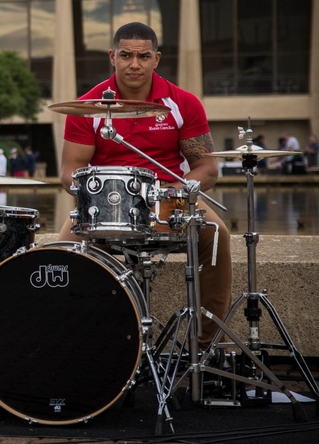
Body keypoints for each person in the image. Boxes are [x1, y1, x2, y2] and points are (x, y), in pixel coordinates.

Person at [59, 21, 231, 350]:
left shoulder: (183, 103)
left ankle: (209, 347)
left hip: (169, 197)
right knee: (63, 252)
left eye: (143, 56)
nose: (134, 64)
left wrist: (178, 192)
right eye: (125, 55)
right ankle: (75, 346)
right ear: (112, 56)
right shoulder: (88, 106)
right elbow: (70, 172)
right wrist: (94, 188)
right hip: (107, 198)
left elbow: (207, 168)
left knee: (217, 232)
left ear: (157, 59)